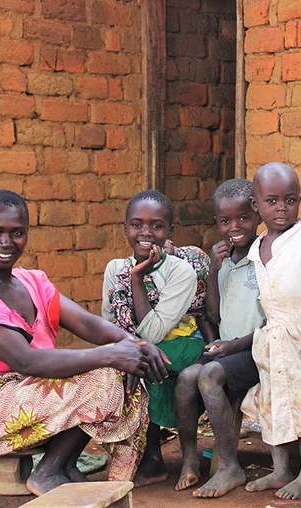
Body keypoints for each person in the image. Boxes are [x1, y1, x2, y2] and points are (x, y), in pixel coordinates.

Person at [0, 190, 165, 497]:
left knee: (123, 374)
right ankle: (50, 470)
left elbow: (86, 322)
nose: (6, 243)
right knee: (103, 378)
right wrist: (112, 355)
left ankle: (65, 466)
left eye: (17, 233)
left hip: (25, 391)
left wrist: (135, 344)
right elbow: (27, 362)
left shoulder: (32, 282)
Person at [101, 190, 209, 487]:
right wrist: (121, 353)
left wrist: (137, 278)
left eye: (157, 226)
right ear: (125, 228)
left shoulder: (180, 271)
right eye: (137, 224)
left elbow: (153, 332)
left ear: (170, 231)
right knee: (126, 365)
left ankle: (151, 457)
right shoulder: (114, 269)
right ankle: (138, 453)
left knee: (147, 361)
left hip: (184, 343)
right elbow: (108, 323)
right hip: (141, 346)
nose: (146, 232)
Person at [241, 163, 301, 500]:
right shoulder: (257, 247)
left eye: (290, 200)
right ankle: (280, 469)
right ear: (256, 205)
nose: (282, 208)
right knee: (270, 400)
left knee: (299, 399)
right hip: (272, 337)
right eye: (273, 201)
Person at [173, 178, 266, 498]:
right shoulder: (222, 260)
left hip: (256, 349)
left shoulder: (266, 257)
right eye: (225, 221)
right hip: (226, 348)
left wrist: (233, 346)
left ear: (258, 214)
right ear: (217, 222)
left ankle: (229, 466)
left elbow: (272, 325)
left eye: (243, 218)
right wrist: (213, 269)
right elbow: (212, 314)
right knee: (186, 378)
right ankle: (189, 457)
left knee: (210, 375)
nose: (235, 227)